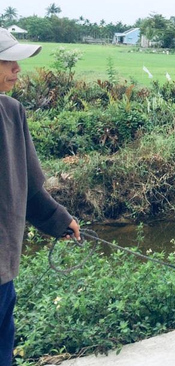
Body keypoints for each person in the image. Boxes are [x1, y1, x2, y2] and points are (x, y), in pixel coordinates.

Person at [0, 28, 80, 366]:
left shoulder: (12, 112)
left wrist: (60, 220)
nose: (18, 69)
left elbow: (28, 188)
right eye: (10, 61)